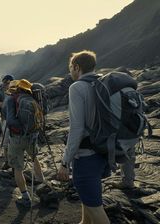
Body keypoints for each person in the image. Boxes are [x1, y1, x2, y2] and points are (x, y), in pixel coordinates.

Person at [57, 50, 110, 224]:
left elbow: (77, 129)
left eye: (71, 67)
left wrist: (65, 162)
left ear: (77, 67)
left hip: (86, 156)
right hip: (103, 151)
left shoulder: (77, 87)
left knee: (96, 208)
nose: (70, 71)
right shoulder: (102, 83)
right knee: (89, 199)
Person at [6, 79, 45, 207]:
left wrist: (21, 130)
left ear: (17, 88)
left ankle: (25, 197)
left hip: (18, 138)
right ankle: (42, 183)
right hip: (32, 136)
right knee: (34, 158)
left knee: (18, 168)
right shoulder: (32, 99)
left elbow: (10, 121)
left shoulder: (13, 99)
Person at [0, 74, 14, 170]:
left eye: (6, 83)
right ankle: (8, 161)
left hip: (9, 120)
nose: (5, 85)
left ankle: (10, 161)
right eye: (5, 83)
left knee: (9, 142)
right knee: (6, 143)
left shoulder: (5, 93)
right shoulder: (1, 93)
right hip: (7, 120)